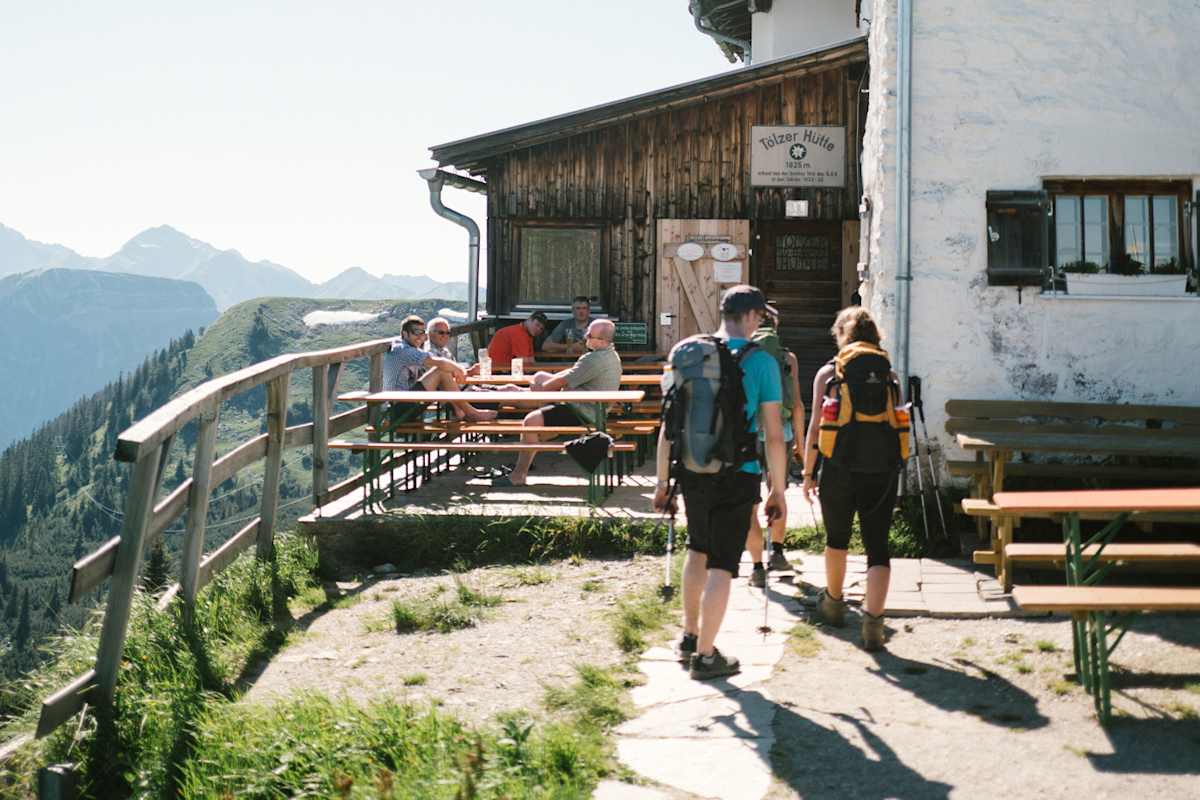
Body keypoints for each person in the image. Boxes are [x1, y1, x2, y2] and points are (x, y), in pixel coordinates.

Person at [653, 285, 787, 681]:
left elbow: (669, 424)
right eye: (760, 317)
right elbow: (774, 434)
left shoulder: (689, 354)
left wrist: (661, 481)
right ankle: (708, 656)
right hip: (737, 473)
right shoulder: (761, 363)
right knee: (724, 566)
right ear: (752, 316)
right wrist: (778, 489)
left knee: (697, 551)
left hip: (692, 470)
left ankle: (689, 636)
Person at [801, 306, 902, 652]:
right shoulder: (890, 374)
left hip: (839, 465)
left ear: (842, 335)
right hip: (882, 468)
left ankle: (833, 603)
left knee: (837, 538)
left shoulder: (830, 373)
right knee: (878, 546)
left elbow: (816, 426)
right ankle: (873, 624)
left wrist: (808, 472)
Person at [492, 318, 621, 487]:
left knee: (530, 421)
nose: (585, 337)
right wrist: (543, 383)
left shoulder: (594, 359)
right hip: (589, 405)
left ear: (603, 341)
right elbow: (573, 372)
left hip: (584, 411)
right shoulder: (609, 354)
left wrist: (541, 389)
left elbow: (562, 381)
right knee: (538, 378)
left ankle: (519, 474)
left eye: (590, 335)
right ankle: (538, 428)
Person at [745, 312, 805, 588]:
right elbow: (797, 405)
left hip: (747, 433)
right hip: (782, 432)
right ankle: (777, 553)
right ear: (776, 326)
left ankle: (757, 567)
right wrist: (802, 446)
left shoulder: (740, 355)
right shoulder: (788, 358)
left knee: (749, 501)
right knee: (777, 491)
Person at [383, 315, 497, 422]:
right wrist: (459, 369)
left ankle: (460, 411)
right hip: (397, 407)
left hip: (408, 401)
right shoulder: (402, 349)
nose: (420, 337)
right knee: (440, 370)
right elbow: (439, 362)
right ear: (404, 334)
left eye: (422, 333)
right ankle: (470, 412)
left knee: (442, 372)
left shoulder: (412, 349)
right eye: (415, 332)